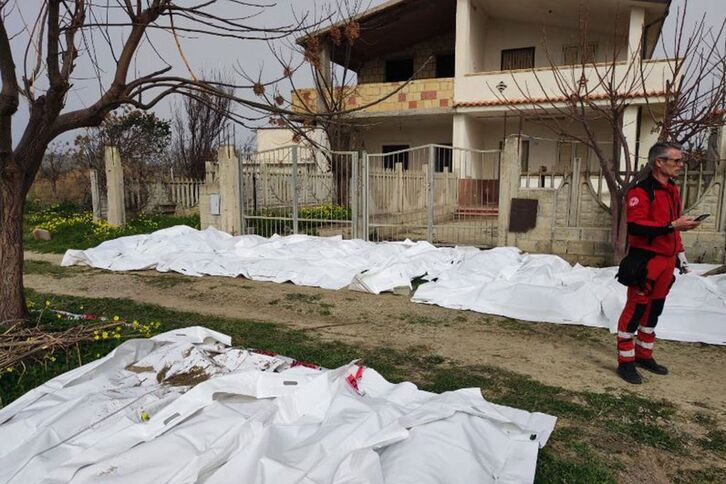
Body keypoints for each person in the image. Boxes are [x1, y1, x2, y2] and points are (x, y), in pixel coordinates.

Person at [616, 142, 700, 384]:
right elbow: (636, 226)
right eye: (676, 161)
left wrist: (680, 255)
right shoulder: (640, 192)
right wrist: (673, 226)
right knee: (635, 309)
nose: (680, 165)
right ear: (659, 162)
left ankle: (644, 354)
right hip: (646, 261)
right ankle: (626, 361)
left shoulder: (672, 189)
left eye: (681, 161)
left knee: (655, 310)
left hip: (666, 261)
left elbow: (671, 228)